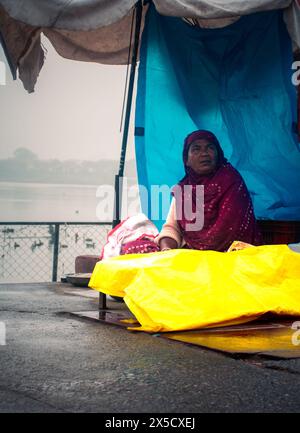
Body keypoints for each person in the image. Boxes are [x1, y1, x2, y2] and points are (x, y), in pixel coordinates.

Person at [157, 130, 262, 252]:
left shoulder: (231, 181)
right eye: (196, 149)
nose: (204, 154)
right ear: (186, 160)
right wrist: (166, 249)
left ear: (218, 155)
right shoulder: (184, 189)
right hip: (191, 258)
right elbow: (171, 228)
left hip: (231, 257)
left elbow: (232, 233)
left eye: (210, 148)